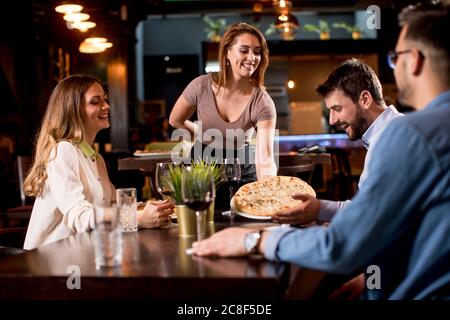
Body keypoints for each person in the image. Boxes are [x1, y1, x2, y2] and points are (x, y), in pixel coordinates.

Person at [191, 6, 450, 299]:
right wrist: (371, 278)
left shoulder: (409, 136)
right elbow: (414, 227)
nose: (333, 119)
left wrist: (253, 240)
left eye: (396, 57)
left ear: (414, 60)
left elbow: (341, 246)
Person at [23, 74, 174, 250]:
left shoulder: (95, 157)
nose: (106, 106)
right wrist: (137, 218)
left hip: (83, 252)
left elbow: (110, 203)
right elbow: (79, 218)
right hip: (50, 262)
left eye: (105, 100)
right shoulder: (63, 151)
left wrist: (145, 207)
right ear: (73, 110)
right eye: (95, 102)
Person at [272, 59, 403, 225]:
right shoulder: (390, 131)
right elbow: (367, 209)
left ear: (365, 99)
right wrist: (319, 209)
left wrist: (319, 211)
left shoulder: (392, 140)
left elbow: (371, 218)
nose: (332, 120)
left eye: (337, 109)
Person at [169, 22, 277, 184]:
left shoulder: (263, 102)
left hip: (243, 172)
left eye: (257, 52)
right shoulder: (201, 86)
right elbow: (175, 120)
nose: (252, 57)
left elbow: (265, 157)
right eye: (244, 50)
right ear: (227, 52)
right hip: (201, 169)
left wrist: (268, 192)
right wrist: (202, 133)